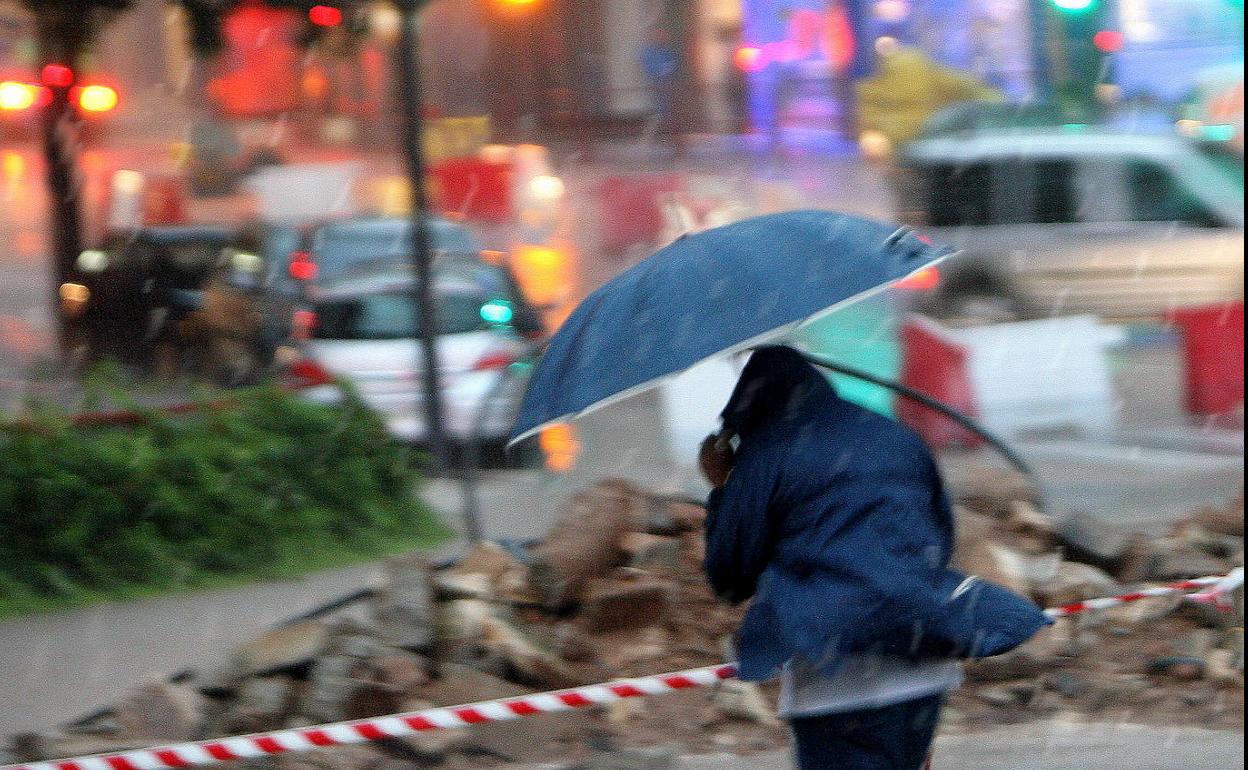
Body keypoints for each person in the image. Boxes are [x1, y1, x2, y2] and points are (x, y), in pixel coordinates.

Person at [698, 345, 1050, 769]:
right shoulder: (893, 435)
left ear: (746, 407)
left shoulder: (765, 456)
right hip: (922, 663)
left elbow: (730, 575)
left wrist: (724, 488)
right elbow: (938, 536)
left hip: (832, 678)